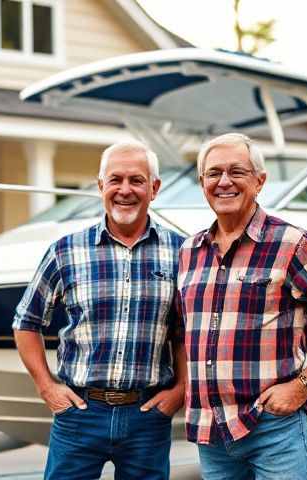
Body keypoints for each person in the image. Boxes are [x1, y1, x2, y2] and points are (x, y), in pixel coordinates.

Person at [178, 133, 307, 479]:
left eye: (236, 172)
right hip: (211, 433)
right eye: (213, 174)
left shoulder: (293, 244)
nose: (223, 181)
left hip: (273, 427)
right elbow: (185, 334)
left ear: (260, 181)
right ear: (202, 183)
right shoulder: (188, 252)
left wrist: (303, 384)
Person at [13, 140, 186, 479]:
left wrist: (181, 390)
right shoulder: (65, 251)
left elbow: (186, 334)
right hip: (79, 412)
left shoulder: (183, 252)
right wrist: (46, 386)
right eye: (115, 180)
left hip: (147, 416)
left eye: (136, 180)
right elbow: (26, 322)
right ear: (100, 187)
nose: (125, 190)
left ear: (154, 188)